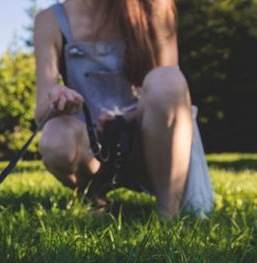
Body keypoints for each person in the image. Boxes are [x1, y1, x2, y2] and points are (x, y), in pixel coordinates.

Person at [34, 0, 214, 219]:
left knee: (167, 80)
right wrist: (58, 98)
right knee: (54, 136)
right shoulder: (49, 20)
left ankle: (169, 211)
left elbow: (171, 90)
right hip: (93, 144)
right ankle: (93, 196)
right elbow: (41, 111)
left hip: (151, 138)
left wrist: (122, 117)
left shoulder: (155, 6)